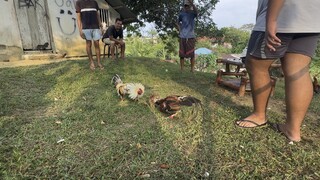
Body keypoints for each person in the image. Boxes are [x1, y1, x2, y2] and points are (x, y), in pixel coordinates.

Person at [236, 0, 320, 142]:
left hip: (282, 14)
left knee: (256, 65)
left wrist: (272, 19)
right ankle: (292, 129)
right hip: (311, 18)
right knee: (298, 70)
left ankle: (259, 115)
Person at [76, 0, 104, 70]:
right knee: (88, 44)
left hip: (96, 26)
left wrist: (100, 24)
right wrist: (80, 30)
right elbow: (78, 17)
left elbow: (97, 14)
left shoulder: (94, 2)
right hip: (86, 27)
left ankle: (99, 62)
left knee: (97, 44)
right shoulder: (79, 2)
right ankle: (91, 62)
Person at [176, 0, 198, 72]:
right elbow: (177, 22)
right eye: (185, 6)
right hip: (182, 36)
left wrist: (192, 3)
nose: (186, 7)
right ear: (184, 6)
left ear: (190, 6)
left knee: (192, 54)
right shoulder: (181, 14)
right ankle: (182, 69)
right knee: (181, 54)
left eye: (188, 6)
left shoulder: (192, 14)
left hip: (191, 36)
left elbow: (197, 12)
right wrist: (179, 30)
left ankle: (192, 69)